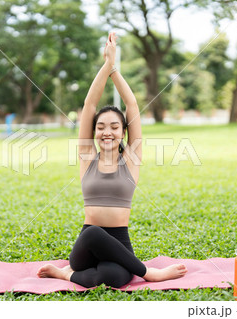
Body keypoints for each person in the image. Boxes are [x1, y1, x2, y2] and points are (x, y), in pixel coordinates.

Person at [37, 32, 187, 288]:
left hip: (120, 242)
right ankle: (149, 273)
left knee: (111, 279)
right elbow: (89, 104)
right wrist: (106, 65)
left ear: (123, 132)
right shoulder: (87, 157)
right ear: (94, 132)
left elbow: (131, 103)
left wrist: (114, 69)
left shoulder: (131, 159)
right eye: (101, 127)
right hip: (87, 243)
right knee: (95, 232)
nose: (107, 132)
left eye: (114, 127)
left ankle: (65, 274)